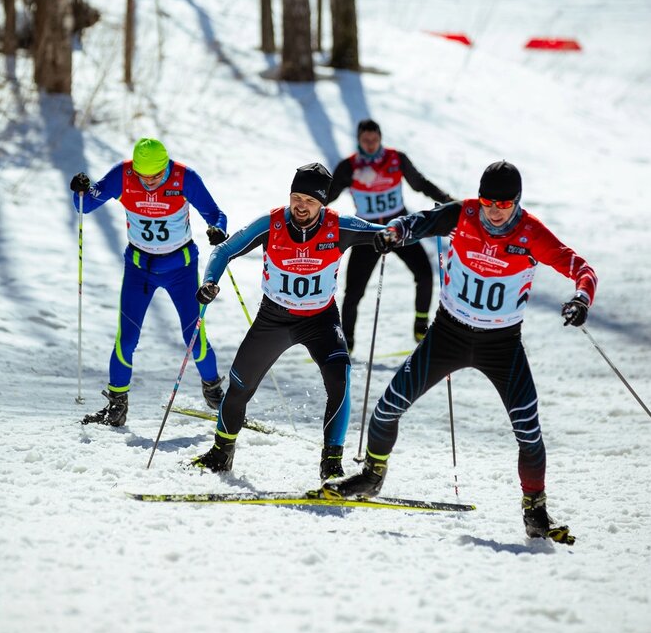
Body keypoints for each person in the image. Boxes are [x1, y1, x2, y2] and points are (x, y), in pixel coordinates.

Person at [325, 161, 597, 542]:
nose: (494, 211)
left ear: (517, 202)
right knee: (387, 408)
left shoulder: (531, 233)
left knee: (529, 430)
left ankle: (535, 511)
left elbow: (583, 270)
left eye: (504, 204)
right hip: (448, 335)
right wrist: (393, 234)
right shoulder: (463, 214)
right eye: (488, 201)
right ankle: (372, 476)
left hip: (501, 345)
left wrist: (581, 299)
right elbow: (417, 223)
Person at [190, 163, 386, 481]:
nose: (301, 206)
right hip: (274, 319)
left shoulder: (340, 227)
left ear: (323, 203)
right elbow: (224, 250)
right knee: (239, 387)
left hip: (321, 320)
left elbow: (392, 233)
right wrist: (210, 281)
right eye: (296, 197)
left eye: (310, 200)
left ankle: (331, 464)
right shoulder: (271, 224)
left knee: (340, 381)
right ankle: (221, 453)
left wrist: (434, 225)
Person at [70, 137, 228, 427]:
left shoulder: (184, 177)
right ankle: (117, 405)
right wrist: (80, 190)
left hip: (181, 269)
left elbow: (215, 214)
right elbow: (86, 205)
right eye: (144, 176)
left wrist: (217, 229)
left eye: (156, 175)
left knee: (194, 338)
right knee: (127, 339)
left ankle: (215, 393)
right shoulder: (123, 175)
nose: (150, 182)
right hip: (139, 269)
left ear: (166, 166)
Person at [327, 119, 453, 351]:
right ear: (359, 140)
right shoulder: (350, 166)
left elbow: (420, 183)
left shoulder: (396, 159)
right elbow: (329, 195)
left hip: (399, 229)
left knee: (425, 274)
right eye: (366, 140)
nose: (371, 144)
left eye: (374, 139)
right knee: (353, 291)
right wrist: (305, 205)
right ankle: (346, 343)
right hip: (367, 233)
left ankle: (420, 324)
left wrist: (446, 200)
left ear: (380, 138)